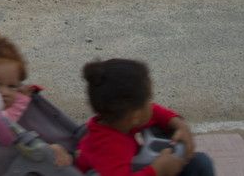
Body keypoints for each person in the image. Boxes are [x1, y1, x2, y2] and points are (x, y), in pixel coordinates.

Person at [77, 58, 215, 176]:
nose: (151, 105)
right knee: (201, 164)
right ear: (135, 117)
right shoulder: (109, 149)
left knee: (199, 162)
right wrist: (157, 170)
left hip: (137, 165)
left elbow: (155, 112)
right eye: (148, 100)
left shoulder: (117, 122)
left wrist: (179, 124)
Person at [0, 35, 73, 167]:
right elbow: (6, 125)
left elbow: (10, 117)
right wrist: (48, 150)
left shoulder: (0, 110)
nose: (5, 92)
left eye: (12, 86)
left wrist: (21, 99)